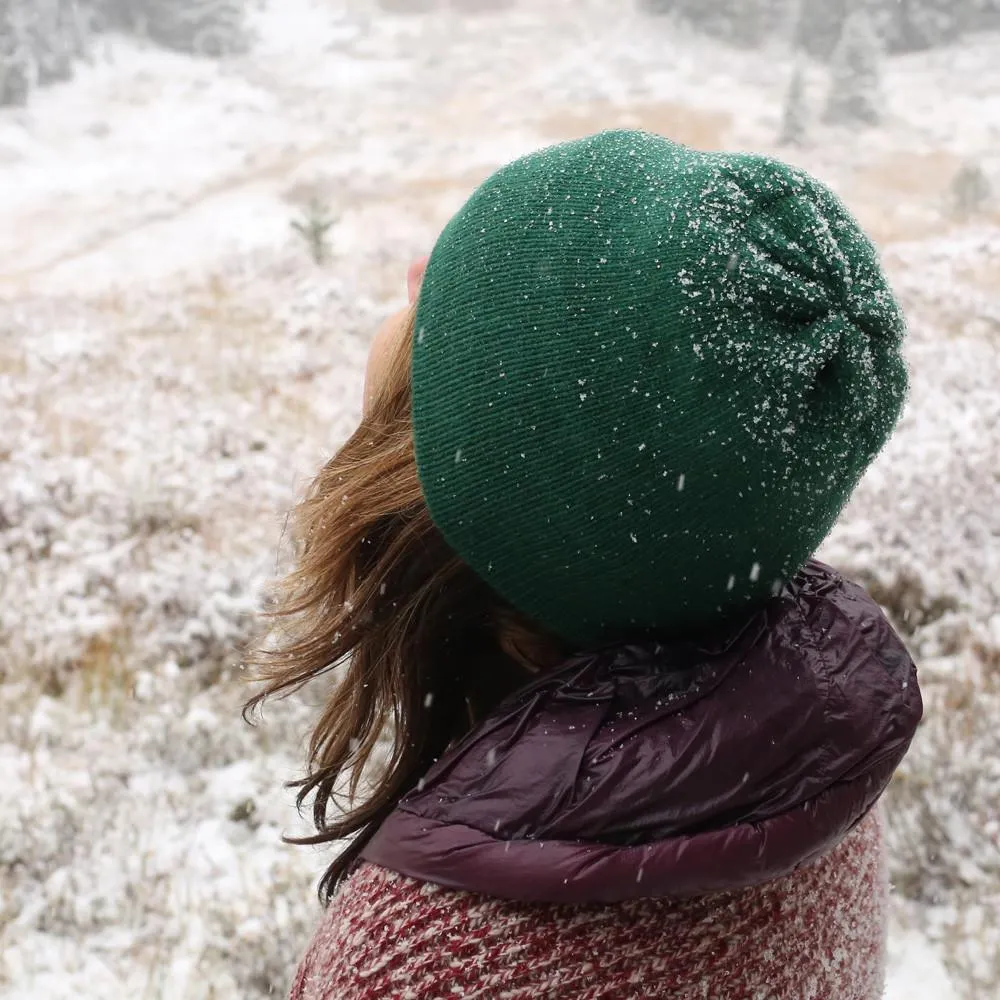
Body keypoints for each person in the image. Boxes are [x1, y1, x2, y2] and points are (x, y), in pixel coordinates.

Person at [247, 129, 923, 1000]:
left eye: (448, 308)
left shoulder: (425, 968)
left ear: (491, 482)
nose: (417, 271)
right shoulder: (798, 769)